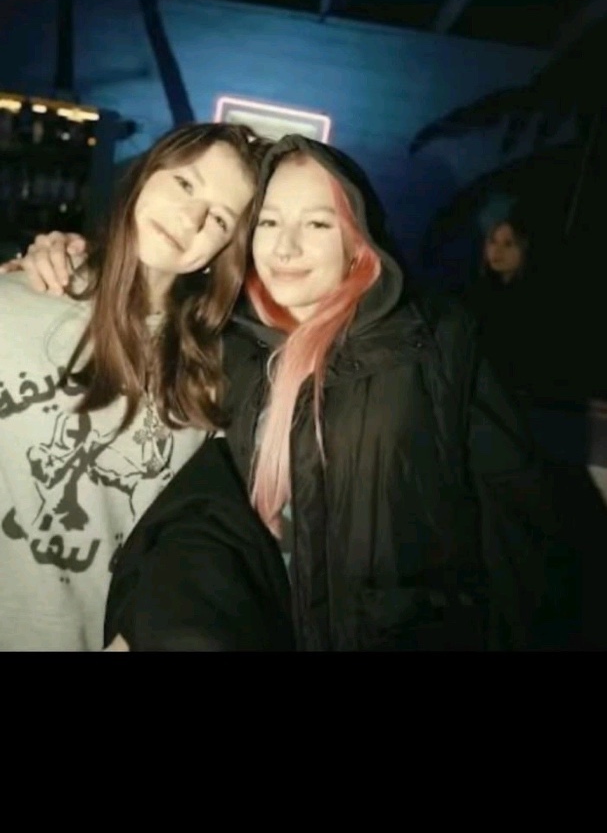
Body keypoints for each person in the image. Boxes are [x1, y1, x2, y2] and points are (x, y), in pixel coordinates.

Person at [17, 135, 577, 651]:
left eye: (317, 224)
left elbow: (521, 531)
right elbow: (211, 525)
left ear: (357, 239)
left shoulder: (434, 344)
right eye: (268, 222)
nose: (285, 247)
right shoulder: (235, 352)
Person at [0, 122, 293, 652]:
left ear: (223, 252)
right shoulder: (12, 302)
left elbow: (208, 546)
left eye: (219, 218)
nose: (190, 218)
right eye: (185, 183)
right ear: (145, 175)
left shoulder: (217, 374)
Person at [464, 218, 540, 397]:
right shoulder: (476, 295)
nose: (497, 250)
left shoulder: (531, 301)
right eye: (493, 242)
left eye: (508, 244)